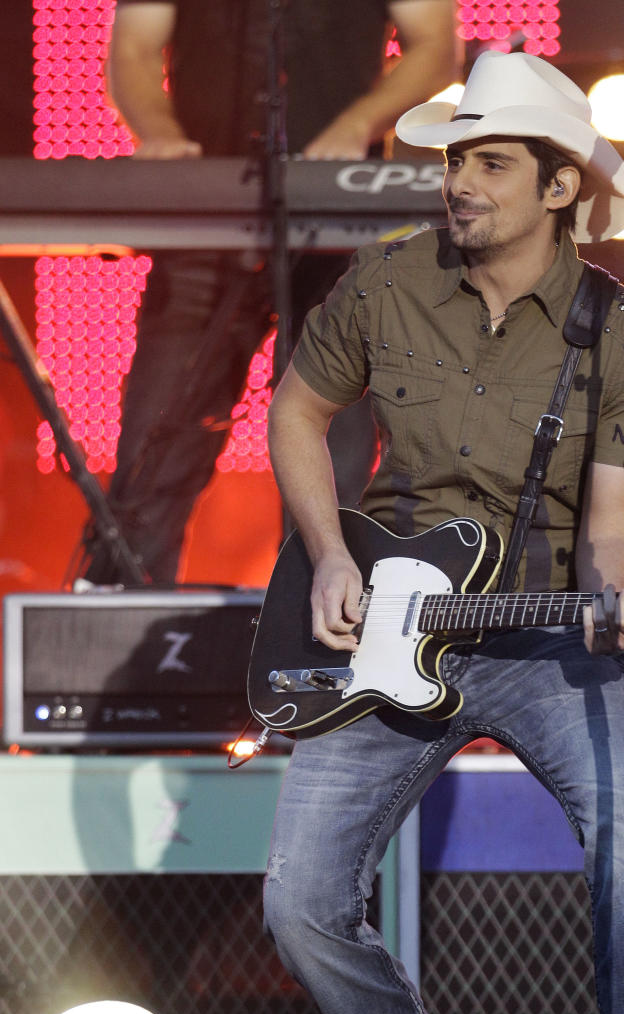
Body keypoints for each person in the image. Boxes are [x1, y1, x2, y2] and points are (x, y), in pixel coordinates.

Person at [263, 49, 624, 1014]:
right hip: (389, 631)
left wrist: (614, 598)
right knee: (300, 900)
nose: (458, 180)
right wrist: (323, 558)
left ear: (560, 187)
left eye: (490, 161)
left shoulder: (621, 327)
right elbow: (297, 411)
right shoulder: (386, 284)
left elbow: (616, 523)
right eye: (456, 158)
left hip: (548, 637)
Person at [78, 0, 459, 585]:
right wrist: (160, 135)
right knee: (159, 439)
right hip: (203, 214)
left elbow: (435, 45)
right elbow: (132, 44)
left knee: (335, 448)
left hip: (335, 221)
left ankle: (324, 629)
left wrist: (355, 127)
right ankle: (125, 632)